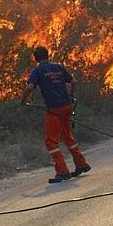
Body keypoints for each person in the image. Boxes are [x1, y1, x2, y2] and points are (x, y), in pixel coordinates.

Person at [21, 46, 91, 183]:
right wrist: (71, 95)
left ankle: (63, 172)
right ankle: (81, 164)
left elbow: (29, 87)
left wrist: (23, 101)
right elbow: (73, 82)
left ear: (35, 58)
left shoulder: (38, 70)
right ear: (48, 55)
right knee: (67, 136)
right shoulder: (58, 67)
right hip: (67, 106)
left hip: (54, 109)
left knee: (51, 141)